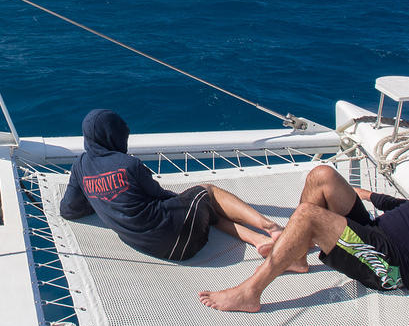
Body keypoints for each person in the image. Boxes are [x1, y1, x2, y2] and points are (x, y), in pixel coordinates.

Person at [199, 133, 409, 326]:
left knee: (309, 215)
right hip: (377, 233)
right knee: (322, 174)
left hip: (392, 266)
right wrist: (370, 196)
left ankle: (250, 292)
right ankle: (296, 258)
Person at [59, 109, 295, 262]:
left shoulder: (80, 167)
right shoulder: (129, 165)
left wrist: (98, 199)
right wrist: (185, 198)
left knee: (203, 211)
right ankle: (272, 228)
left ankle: (259, 241)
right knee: (207, 193)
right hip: (178, 234)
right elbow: (160, 195)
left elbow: (69, 210)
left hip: (162, 250)